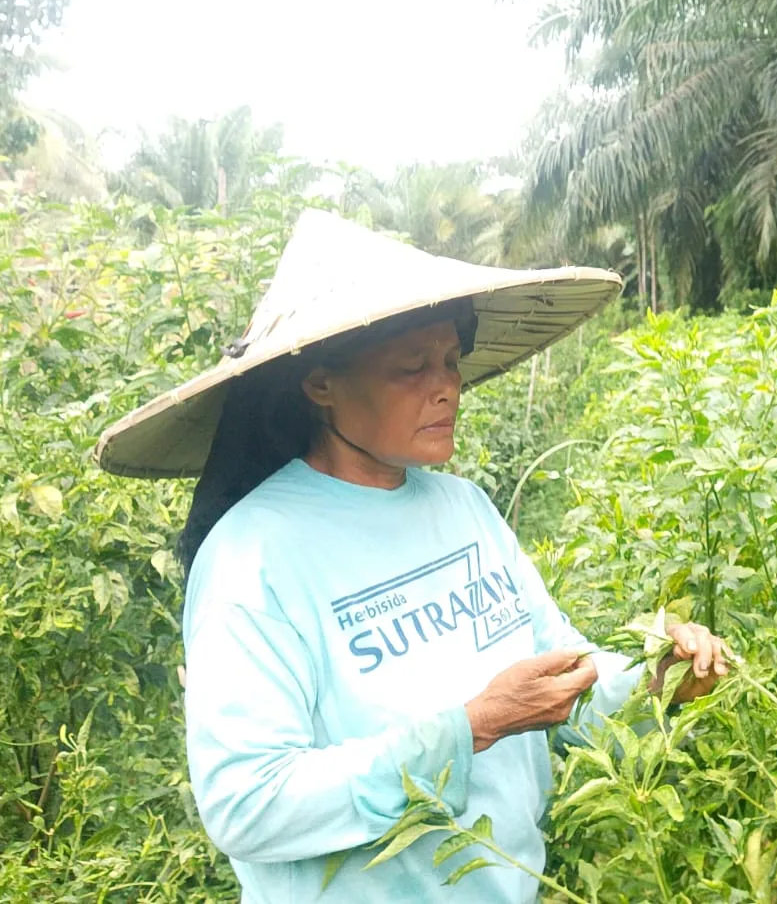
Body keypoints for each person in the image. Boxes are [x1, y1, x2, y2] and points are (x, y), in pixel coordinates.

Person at [98, 210, 732, 903]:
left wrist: (655, 680)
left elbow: (559, 670)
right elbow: (247, 803)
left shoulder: (464, 510)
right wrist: (472, 727)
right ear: (320, 384)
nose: (446, 386)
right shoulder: (253, 557)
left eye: (452, 361)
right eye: (412, 367)